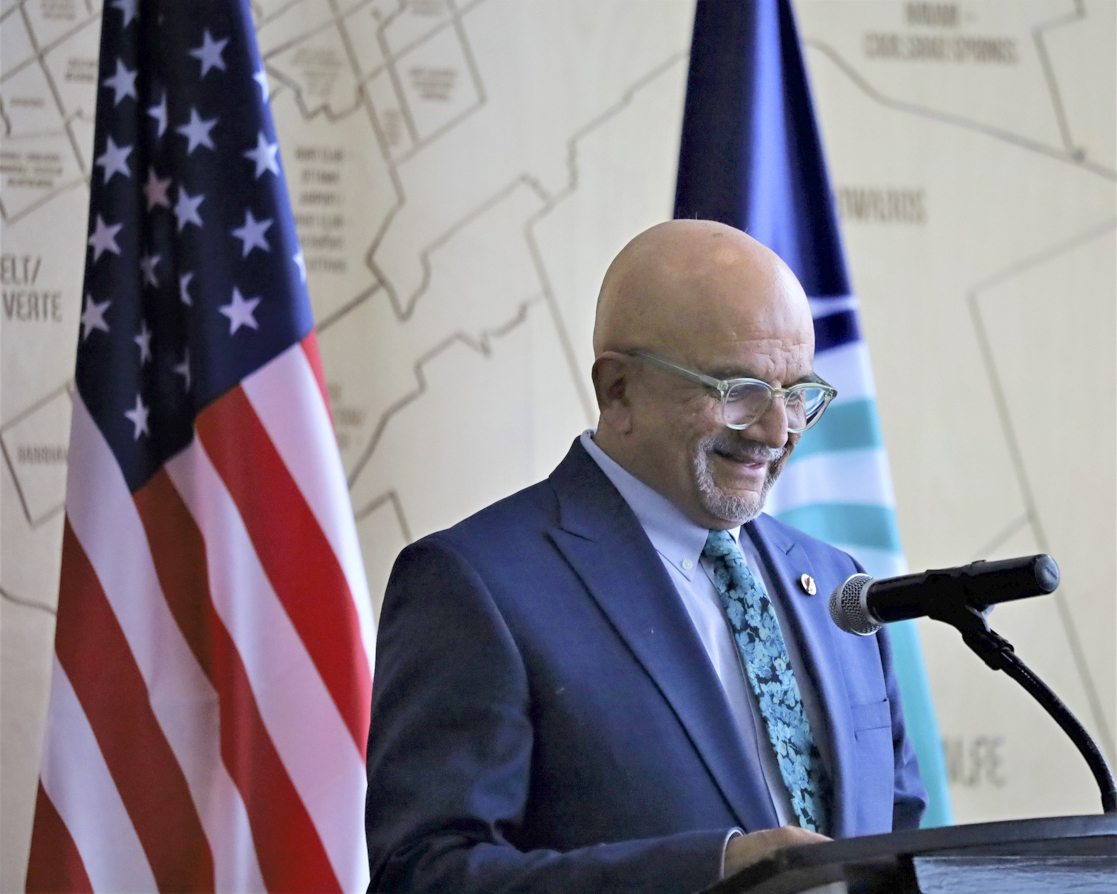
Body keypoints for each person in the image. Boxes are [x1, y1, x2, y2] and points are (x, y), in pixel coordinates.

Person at [365, 220, 927, 894]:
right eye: (738, 392)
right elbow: (424, 875)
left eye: (797, 394)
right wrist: (712, 873)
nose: (777, 432)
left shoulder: (839, 588)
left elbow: (898, 840)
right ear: (618, 391)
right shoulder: (476, 585)